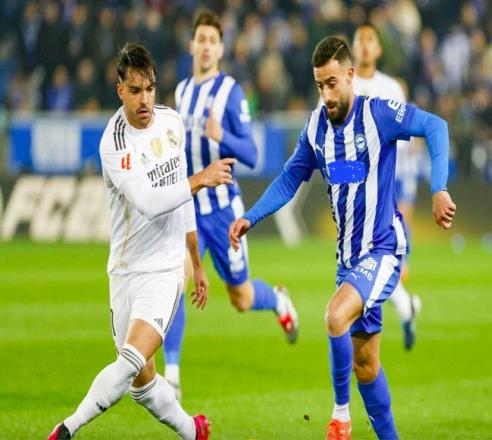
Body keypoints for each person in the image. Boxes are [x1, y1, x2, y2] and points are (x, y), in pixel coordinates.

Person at [230, 36, 456, 439]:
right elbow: (290, 178)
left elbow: (435, 126)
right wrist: (251, 216)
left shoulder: (378, 114)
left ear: (350, 75)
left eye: (332, 83)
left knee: (334, 317)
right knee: (366, 367)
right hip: (348, 261)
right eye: (320, 85)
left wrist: (439, 188)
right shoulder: (316, 128)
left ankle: (340, 417)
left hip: (383, 249)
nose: (326, 95)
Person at [47, 42, 236, 440]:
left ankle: (66, 428)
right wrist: (200, 179)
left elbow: (181, 197)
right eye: (135, 91)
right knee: (140, 382)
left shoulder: (171, 123)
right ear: (120, 90)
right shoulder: (114, 143)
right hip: (124, 271)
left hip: (165, 269)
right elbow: (149, 202)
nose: (145, 99)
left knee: (131, 359)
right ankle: (193, 431)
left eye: (150, 89)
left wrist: (195, 262)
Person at [162, 9, 298, 398]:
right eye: (200, 39)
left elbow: (252, 154)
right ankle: (172, 375)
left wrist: (221, 135)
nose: (205, 46)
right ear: (191, 45)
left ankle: (277, 299)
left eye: (212, 41)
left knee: (241, 297)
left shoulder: (230, 92)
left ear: (221, 49)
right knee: (175, 281)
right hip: (189, 208)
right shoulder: (182, 91)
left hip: (223, 212)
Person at [352, 22, 421, 350]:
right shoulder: (345, 85)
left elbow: (407, 139)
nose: (365, 45)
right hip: (356, 182)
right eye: (360, 39)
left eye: (370, 40)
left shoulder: (391, 88)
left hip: (389, 179)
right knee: (364, 257)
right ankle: (406, 306)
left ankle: (400, 308)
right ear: (353, 47)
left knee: (370, 257)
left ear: (378, 49)